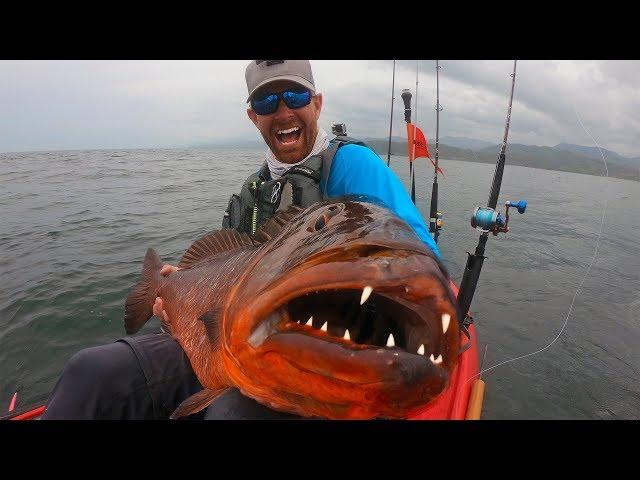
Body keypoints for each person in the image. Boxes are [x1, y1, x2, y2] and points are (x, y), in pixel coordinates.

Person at [42, 60, 441, 420]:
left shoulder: (351, 164)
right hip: (218, 349)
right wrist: (175, 293)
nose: (284, 111)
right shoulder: (253, 189)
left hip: (309, 365)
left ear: (317, 104)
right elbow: (221, 268)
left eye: (296, 95)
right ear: (253, 116)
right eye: (267, 102)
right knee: (90, 372)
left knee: (229, 414)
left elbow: (415, 254)